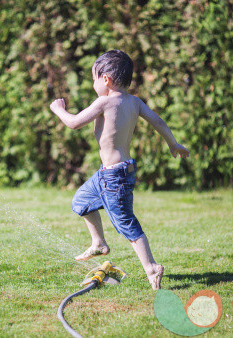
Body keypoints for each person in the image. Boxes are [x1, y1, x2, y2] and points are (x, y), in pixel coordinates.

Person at [49, 50, 189, 290]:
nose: (93, 84)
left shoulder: (105, 101)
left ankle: (151, 267)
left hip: (114, 177)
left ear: (106, 80)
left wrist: (58, 109)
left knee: (126, 223)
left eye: (94, 78)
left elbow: (73, 123)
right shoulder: (134, 102)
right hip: (110, 174)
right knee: (81, 201)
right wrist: (173, 143)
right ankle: (99, 243)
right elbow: (157, 120)